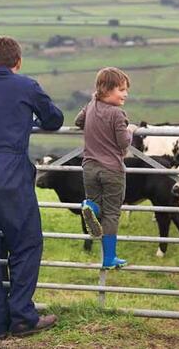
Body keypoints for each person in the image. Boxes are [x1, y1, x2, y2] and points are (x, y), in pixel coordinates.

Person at [0, 36, 63, 340]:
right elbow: (54, 119)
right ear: (18, 63)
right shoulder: (26, 86)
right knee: (27, 243)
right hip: (10, 173)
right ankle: (22, 316)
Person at [75, 67, 136, 269]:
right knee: (111, 213)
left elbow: (78, 121)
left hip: (90, 168)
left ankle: (90, 206)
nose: (125, 94)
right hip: (112, 170)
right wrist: (130, 130)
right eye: (121, 89)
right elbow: (123, 143)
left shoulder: (91, 105)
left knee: (98, 205)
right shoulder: (118, 114)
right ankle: (109, 258)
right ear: (107, 89)